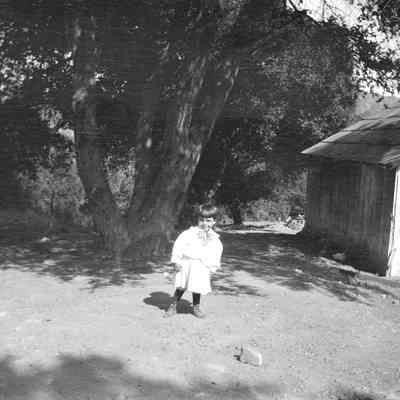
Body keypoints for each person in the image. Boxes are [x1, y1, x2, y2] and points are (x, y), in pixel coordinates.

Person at [165, 204, 223, 318]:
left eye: (208, 220)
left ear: (214, 222)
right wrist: (176, 261)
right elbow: (178, 246)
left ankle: (196, 307)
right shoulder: (189, 233)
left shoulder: (214, 238)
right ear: (197, 220)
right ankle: (173, 306)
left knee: (197, 286)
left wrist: (211, 267)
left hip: (201, 266)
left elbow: (216, 251)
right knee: (181, 285)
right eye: (201, 220)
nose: (204, 223)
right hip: (187, 263)